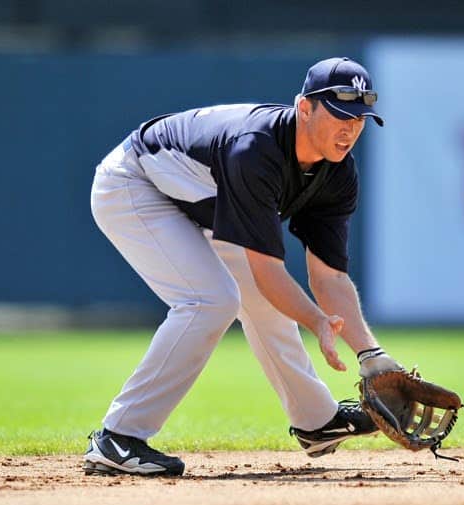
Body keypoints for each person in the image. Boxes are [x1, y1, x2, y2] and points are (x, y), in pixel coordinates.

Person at [84, 57, 402, 476]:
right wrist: (316, 322)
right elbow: (268, 272)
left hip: (201, 202)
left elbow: (329, 276)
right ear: (304, 109)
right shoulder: (256, 149)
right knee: (210, 301)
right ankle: (119, 436)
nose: (350, 128)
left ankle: (317, 422)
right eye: (341, 114)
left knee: (263, 303)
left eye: (360, 118)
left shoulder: (338, 173)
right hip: (133, 183)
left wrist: (370, 354)